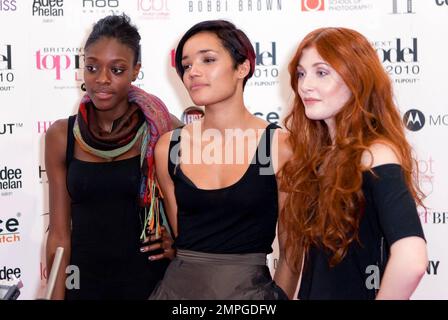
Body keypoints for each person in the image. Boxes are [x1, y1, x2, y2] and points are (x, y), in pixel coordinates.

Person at [149, 20, 298, 299]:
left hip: (249, 295)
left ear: (242, 68)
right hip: (176, 293)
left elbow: (292, 250)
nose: (193, 72)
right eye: (186, 65)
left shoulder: (280, 146)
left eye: (208, 59)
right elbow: (183, 237)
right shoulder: (170, 148)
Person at [280, 27, 428, 300]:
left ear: (357, 79)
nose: (305, 85)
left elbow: (412, 259)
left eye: (321, 72)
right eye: (301, 73)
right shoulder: (321, 157)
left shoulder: (375, 154)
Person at [45, 14, 180, 300]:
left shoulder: (166, 131)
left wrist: (181, 243)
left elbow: (198, 209)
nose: (102, 80)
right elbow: (59, 236)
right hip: (84, 283)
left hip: (150, 283)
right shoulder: (61, 135)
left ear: (135, 70)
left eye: (117, 70)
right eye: (92, 67)